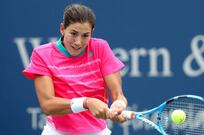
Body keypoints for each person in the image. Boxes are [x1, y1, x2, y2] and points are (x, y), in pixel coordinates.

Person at [23, 3, 127, 135]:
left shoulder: (101, 48)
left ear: (91, 33)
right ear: (62, 29)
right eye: (73, 33)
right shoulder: (42, 54)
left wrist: (118, 105)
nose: (78, 42)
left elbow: (118, 95)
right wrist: (86, 102)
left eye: (85, 35)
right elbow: (47, 105)